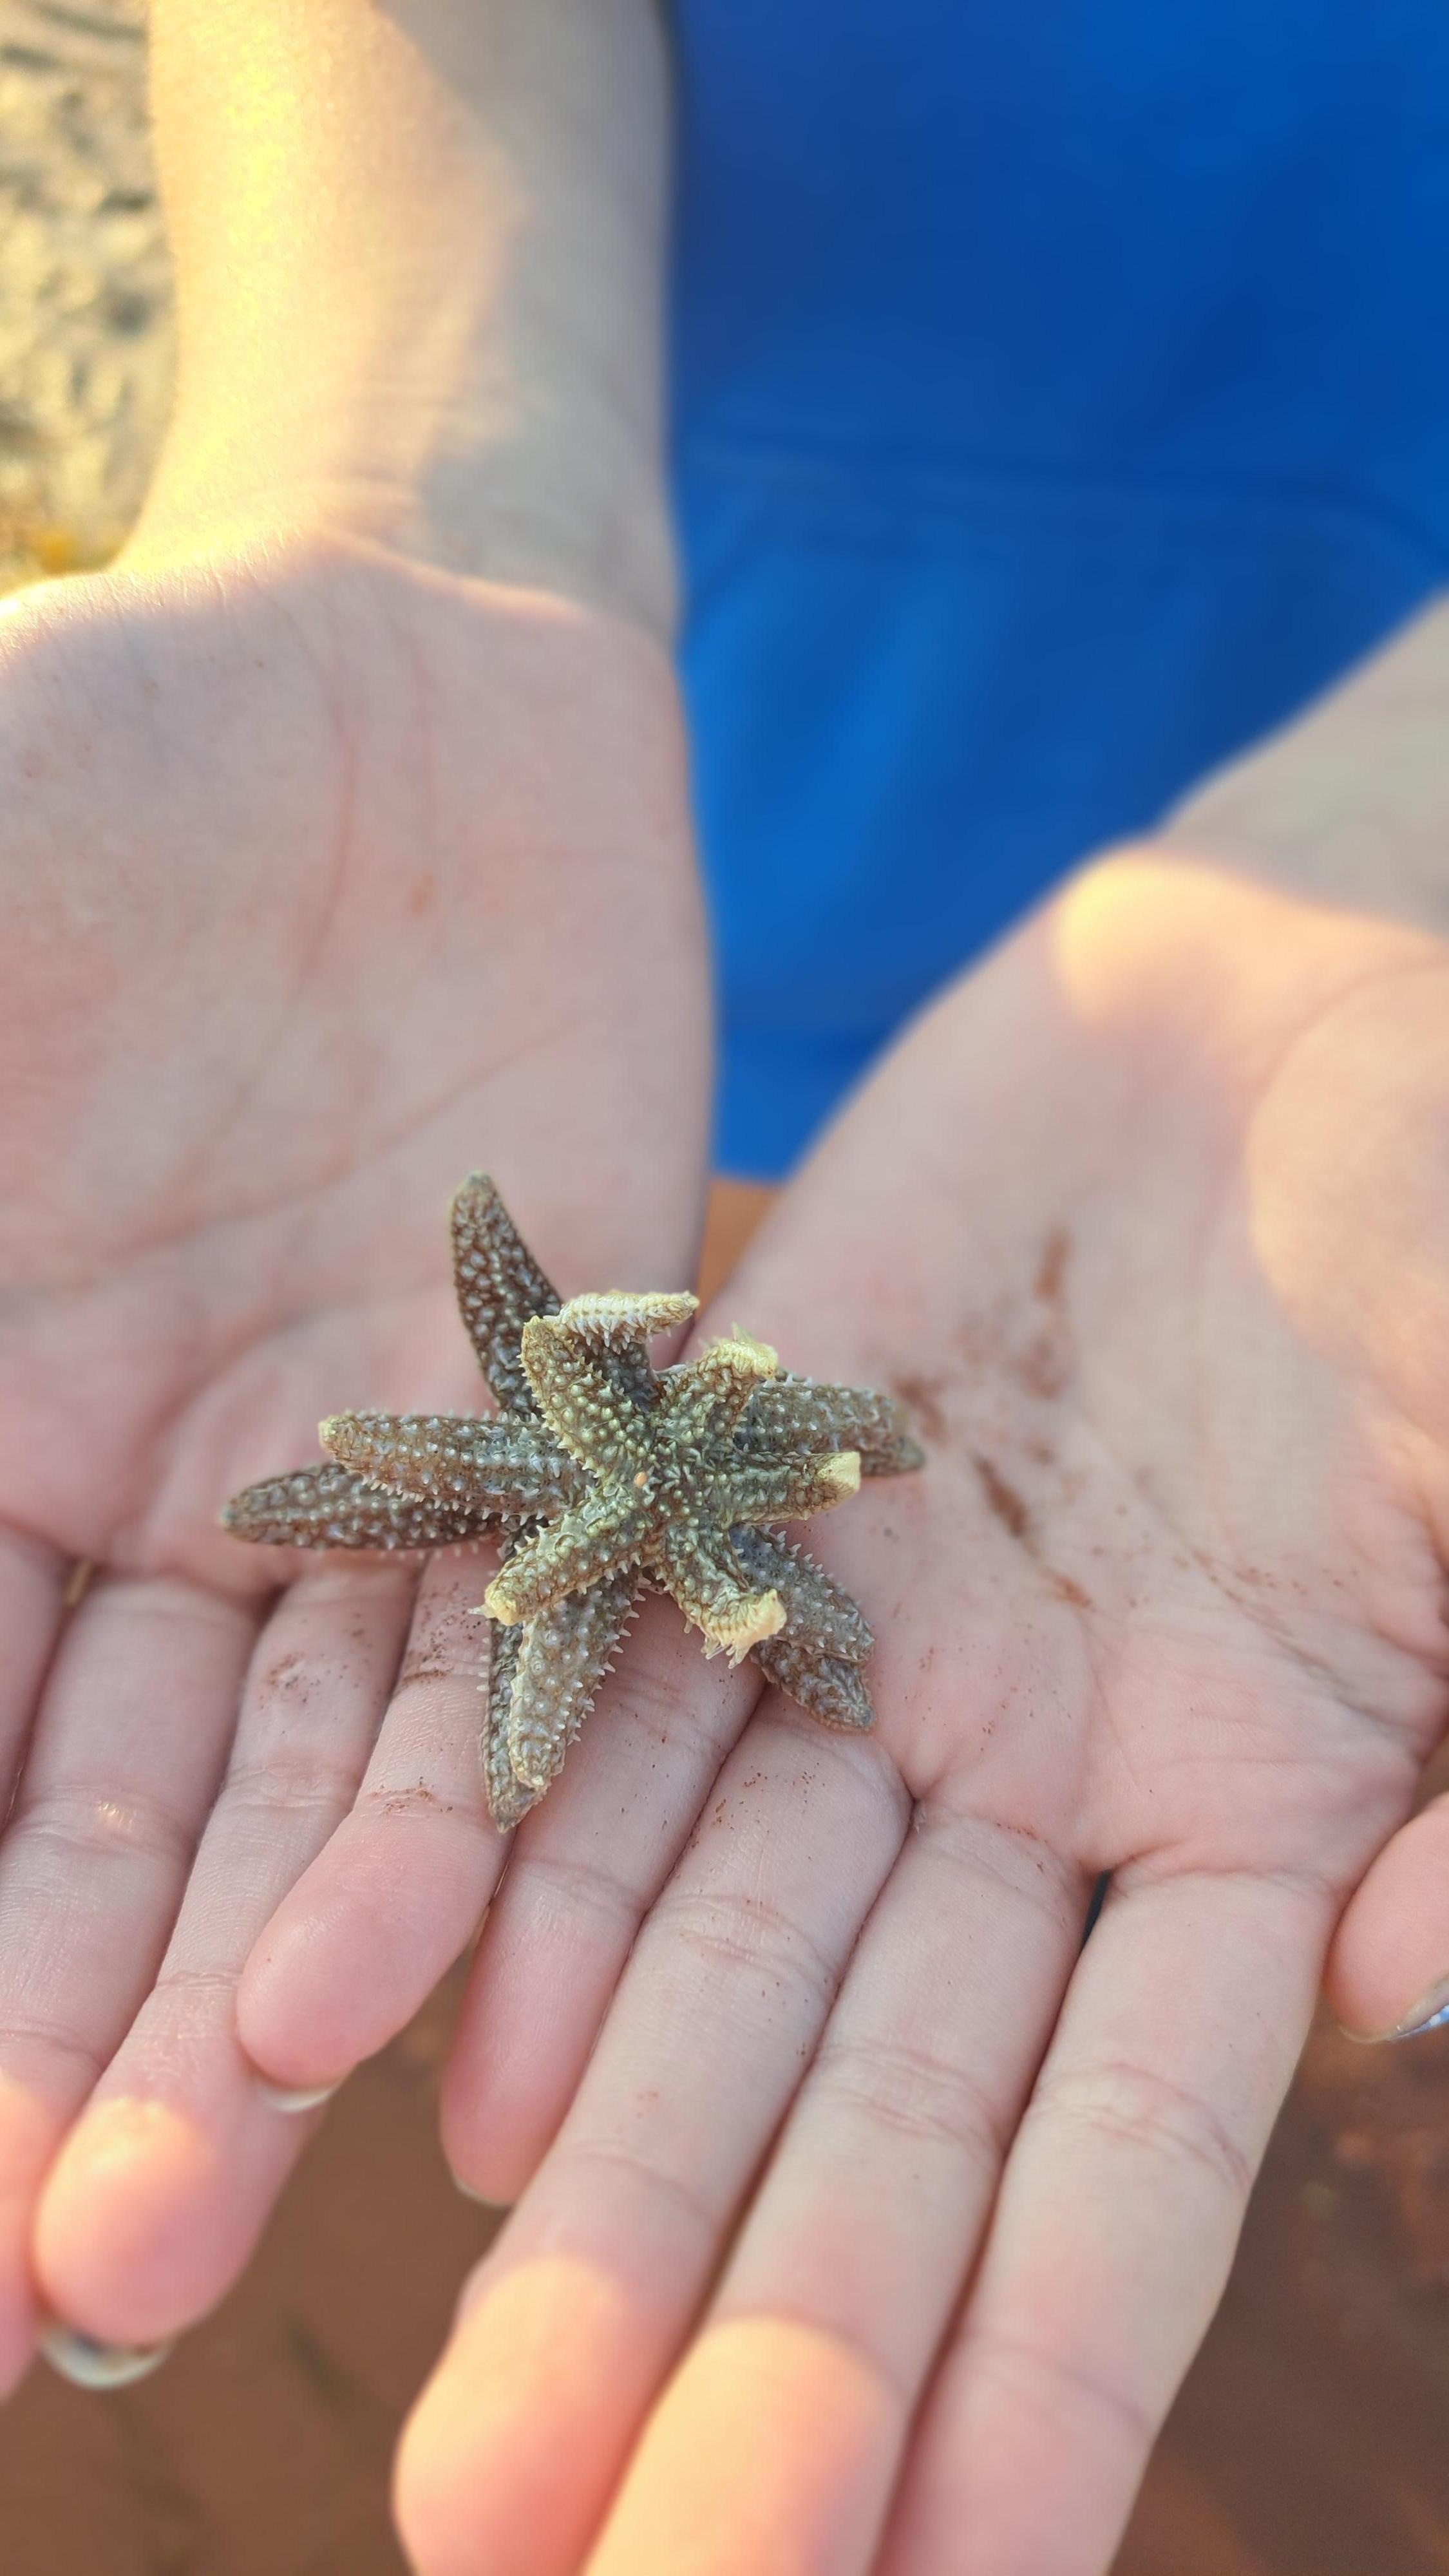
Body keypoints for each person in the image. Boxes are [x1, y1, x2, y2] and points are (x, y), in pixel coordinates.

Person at [1, 4, 1446, 2571]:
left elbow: (679, 1467)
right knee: (745, 1248)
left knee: (874, 1447)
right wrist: (386, 479)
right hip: (614, 750)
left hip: (1361, 834)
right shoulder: (585, 1419)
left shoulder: (652, 1474)